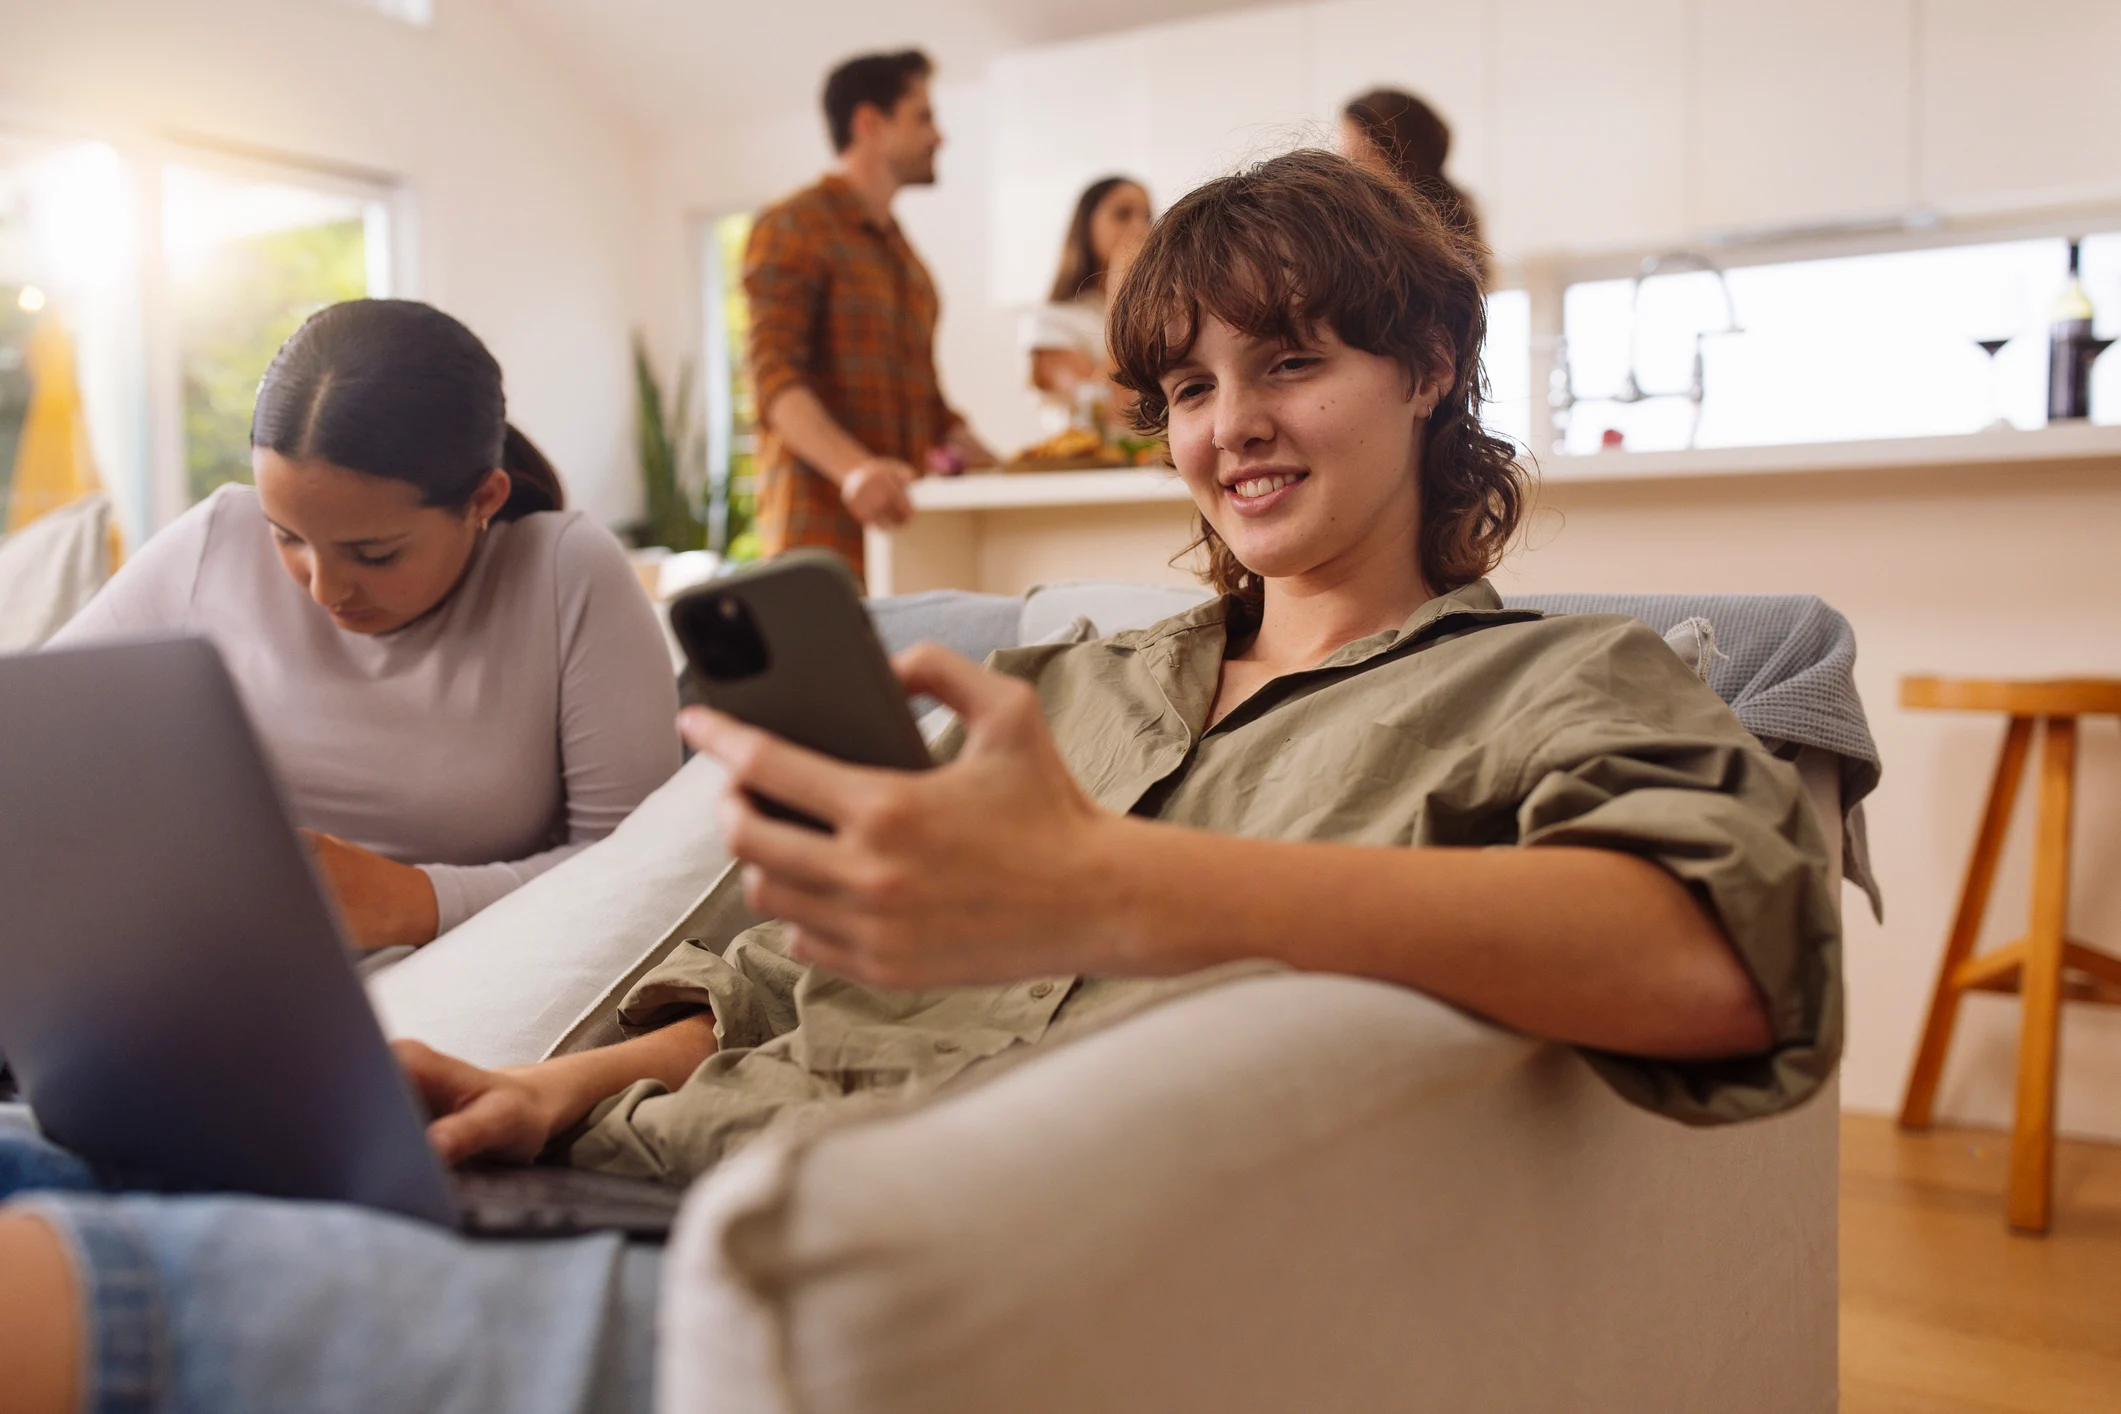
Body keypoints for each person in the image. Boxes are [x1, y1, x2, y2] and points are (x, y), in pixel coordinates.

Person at [0, 151, 1840, 1412]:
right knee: (55, 1164)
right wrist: (540, 1085)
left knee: (55, 1299)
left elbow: (1727, 956)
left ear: (1431, 367)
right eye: (1188, 386)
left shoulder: (1554, 678)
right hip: (643, 1171)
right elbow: (767, 975)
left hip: (880, 1276)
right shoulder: (1056, 688)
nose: (1231, 425)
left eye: (1294, 361)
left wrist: (1118, 888)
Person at [50, 299, 681, 949]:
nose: (325, 589)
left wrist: (422, 900)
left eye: (374, 554)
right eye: (287, 536)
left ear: (482, 500)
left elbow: (642, 868)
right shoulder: (215, 540)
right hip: (194, 955)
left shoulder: (561, 572)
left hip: (453, 978)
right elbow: (30, 736)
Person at [745, 49, 997, 578]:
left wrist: (1017, 471)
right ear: (869, 124)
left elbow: (930, 413)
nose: (939, 136)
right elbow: (773, 380)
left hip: (902, 548)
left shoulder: (908, 264)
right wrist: (856, 472)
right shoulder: (794, 226)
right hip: (818, 548)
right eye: (923, 117)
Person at [1023, 175, 1152, 428]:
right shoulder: (1050, 322)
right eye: (1123, 214)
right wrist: (1120, 295)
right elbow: (1104, 414)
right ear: (1086, 226)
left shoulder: (1156, 315)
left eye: (1146, 217)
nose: (1140, 229)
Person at [1337, 86, 1492, 288]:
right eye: (1345, 157)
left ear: (1404, 163)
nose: (1345, 172)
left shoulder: (1430, 248)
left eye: (1358, 157)